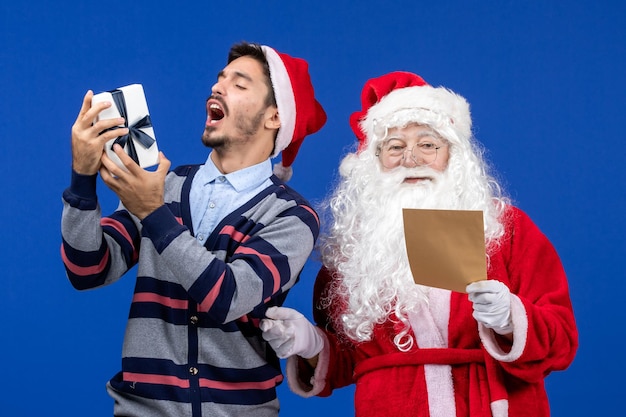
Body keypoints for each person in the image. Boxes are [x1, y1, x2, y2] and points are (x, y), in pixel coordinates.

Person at [260, 71, 578, 417]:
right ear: (374, 161)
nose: (410, 159)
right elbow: (351, 363)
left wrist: (510, 320)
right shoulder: (354, 251)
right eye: (395, 147)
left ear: (454, 155)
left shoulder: (505, 228)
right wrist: (310, 343)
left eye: (428, 144)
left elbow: (562, 341)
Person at [60, 42, 326, 417]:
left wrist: (152, 212)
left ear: (274, 117)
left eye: (240, 83)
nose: (218, 87)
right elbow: (87, 269)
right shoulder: (163, 186)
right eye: (220, 78)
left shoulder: (292, 216)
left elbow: (227, 297)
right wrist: (82, 178)